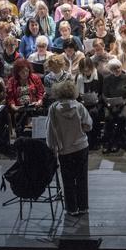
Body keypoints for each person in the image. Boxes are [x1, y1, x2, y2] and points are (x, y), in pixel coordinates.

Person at [46, 79, 93, 218]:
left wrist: (51, 148)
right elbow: (88, 125)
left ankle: (72, 209)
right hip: (81, 146)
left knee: (68, 179)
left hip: (64, 149)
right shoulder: (79, 106)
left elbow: (49, 130)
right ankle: (83, 207)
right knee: (82, 178)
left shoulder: (54, 109)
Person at [6, 58, 45, 136]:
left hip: (34, 105)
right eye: (22, 72)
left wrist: (39, 101)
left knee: (38, 112)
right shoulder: (12, 81)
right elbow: (10, 97)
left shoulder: (35, 78)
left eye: (27, 71)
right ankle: (20, 136)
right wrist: (13, 106)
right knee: (21, 115)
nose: (25, 73)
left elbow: (41, 92)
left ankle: (38, 135)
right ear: (17, 73)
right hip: (19, 107)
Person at [76, 57, 104, 150]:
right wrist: (81, 100)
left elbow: (102, 92)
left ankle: (94, 139)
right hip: (83, 103)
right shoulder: (78, 77)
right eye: (83, 68)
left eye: (87, 67)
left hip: (96, 103)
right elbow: (76, 94)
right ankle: (84, 139)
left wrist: (97, 100)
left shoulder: (98, 76)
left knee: (93, 113)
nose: (86, 69)